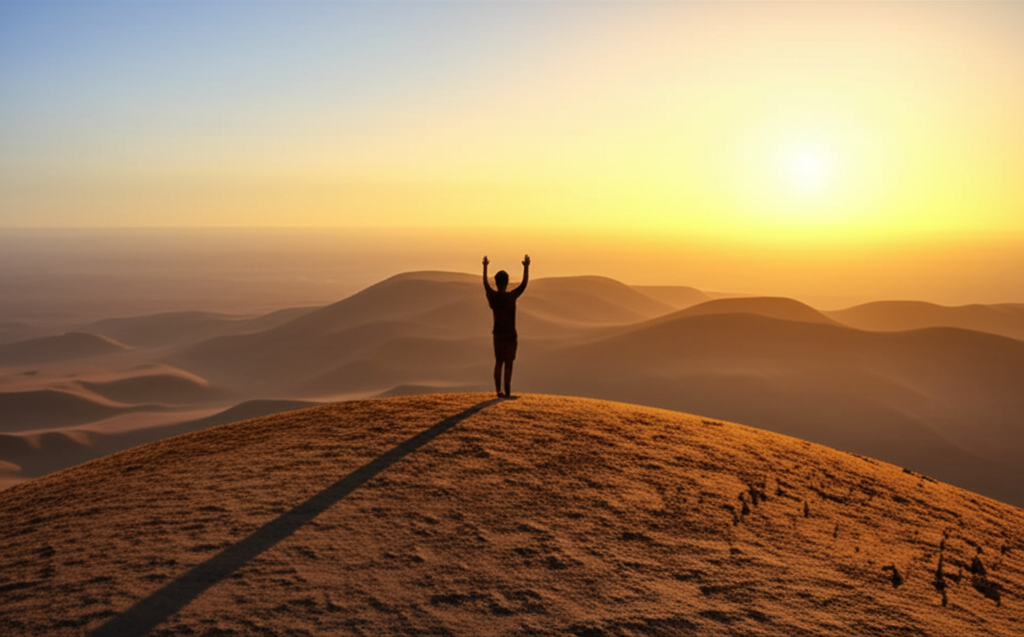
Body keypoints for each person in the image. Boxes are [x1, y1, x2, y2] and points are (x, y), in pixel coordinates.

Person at [483, 254, 530, 398]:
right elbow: (523, 285)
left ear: (497, 282)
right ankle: (508, 391)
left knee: (499, 362)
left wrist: (484, 267)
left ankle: (498, 391)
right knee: (509, 363)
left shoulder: (493, 297)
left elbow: (485, 284)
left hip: (497, 335)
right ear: (507, 282)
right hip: (510, 335)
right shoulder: (511, 297)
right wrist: (526, 267)